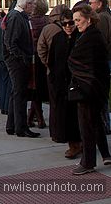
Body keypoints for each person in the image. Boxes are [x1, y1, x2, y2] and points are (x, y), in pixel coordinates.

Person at [68, 4, 111, 175]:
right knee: (96, 122)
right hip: (96, 87)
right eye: (74, 21)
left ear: (89, 19)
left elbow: (75, 60)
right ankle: (106, 154)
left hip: (87, 89)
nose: (75, 24)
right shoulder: (91, 35)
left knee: (86, 125)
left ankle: (88, 162)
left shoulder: (90, 37)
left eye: (78, 20)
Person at [45, 9, 82, 159]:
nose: (67, 26)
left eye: (71, 23)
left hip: (77, 83)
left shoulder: (80, 38)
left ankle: (80, 143)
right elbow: (51, 60)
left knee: (77, 115)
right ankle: (72, 143)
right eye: (64, 23)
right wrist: (53, 79)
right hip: (61, 83)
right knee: (65, 115)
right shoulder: (58, 38)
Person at [4, 0, 40, 138]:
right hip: (17, 61)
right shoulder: (16, 17)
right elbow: (10, 42)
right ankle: (21, 127)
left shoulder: (19, 16)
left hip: (18, 59)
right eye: (32, 4)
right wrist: (23, 57)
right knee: (20, 93)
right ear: (27, 4)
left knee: (16, 93)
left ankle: (12, 125)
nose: (33, 7)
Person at [89, 0, 111, 134]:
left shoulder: (101, 18)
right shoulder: (106, 15)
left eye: (91, 3)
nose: (90, 5)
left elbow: (101, 41)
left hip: (103, 60)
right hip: (106, 59)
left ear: (99, 4)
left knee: (101, 95)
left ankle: (104, 126)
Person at [27, 0, 49, 128]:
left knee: (35, 89)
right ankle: (33, 117)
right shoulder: (47, 21)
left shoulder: (29, 22)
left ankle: (38, 118)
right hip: (43, 57)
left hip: (33, 57)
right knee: (39, 88)